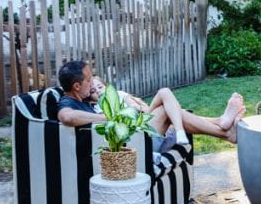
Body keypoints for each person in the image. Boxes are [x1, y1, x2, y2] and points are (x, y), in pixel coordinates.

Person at [56, 60, 245, 144]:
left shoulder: (86, 97)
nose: (92, 82)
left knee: (168, 106)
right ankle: (225, 132)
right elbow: (66, 117)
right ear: (76, 86)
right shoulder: (68, 103)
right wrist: (108, 118)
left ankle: (221, 124)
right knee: (165, 109)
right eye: (88, 80)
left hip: (133, 131)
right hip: (132, 142)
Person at [90, 76, 246, 145]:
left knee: (169, 103)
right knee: (166, 97)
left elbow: (143, 108)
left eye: (100, 87)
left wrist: (135, 106)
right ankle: (221, 128)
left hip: (144, 119)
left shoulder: (120, 95)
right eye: (93, 91)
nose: (98, 91)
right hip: (137, 132)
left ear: (107, 86)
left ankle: (221, 123)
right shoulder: (98, 109)